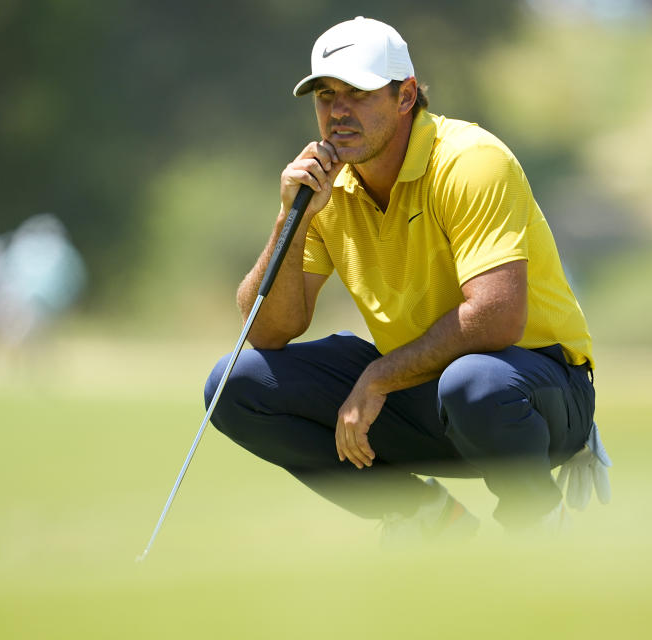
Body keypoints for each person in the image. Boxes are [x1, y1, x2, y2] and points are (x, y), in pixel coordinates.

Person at [205, 16, 605, 540]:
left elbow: (498, 318)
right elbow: (267, 331)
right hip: (425, 392)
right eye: (325, 95)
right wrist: (293, 218)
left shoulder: (470, 161)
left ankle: (539, 525)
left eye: (358, 92)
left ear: (405, 95)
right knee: (235, 384)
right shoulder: (325, 187)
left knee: (475, 382)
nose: (338, 111)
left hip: (538, 391)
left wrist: (378, 378)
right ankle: (428, 518)